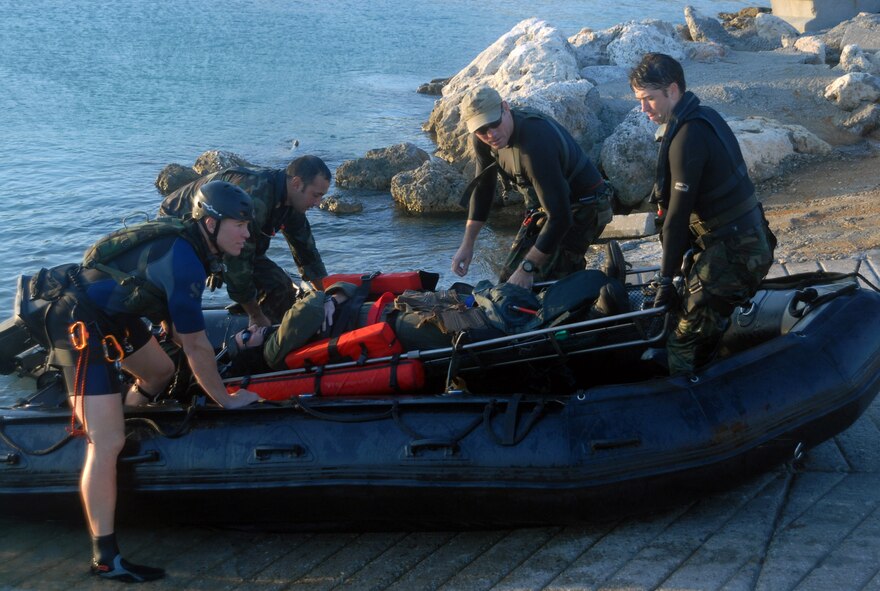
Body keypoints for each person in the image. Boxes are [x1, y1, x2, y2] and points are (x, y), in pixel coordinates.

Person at [33, 181, 262, 582]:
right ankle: (105, 558)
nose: (247, 233)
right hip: (77, 318)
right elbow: (194, 345)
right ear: (210, 223)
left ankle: (120, 430)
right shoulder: (188, 260)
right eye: (240, 224)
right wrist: (226, 400)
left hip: (114, 314)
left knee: (160, 372)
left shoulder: (196, 248)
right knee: (106, 440)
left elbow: (177, 330)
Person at [630, 53, 776, 375]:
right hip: (748, 241)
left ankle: (686, 398)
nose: (644, 109)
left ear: (672, 90)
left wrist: (665, 279)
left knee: (682, 342)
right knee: (689, 312)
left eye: (649, 99)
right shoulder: (706, 116)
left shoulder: (686, 138)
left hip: (736, 253)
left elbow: (676, 220)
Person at [451, 85, 614, 290]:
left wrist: (528, 268)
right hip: (546, 208)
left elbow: (561, 217)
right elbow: (483, 190)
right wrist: (467, 244)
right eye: (481, 129)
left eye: (494, 123)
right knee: (508, 284)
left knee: (542, 284)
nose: (491, 134)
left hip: (586, 206)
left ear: (505, 108)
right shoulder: (483, 140)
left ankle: (597, 289)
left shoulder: (535, 146)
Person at [159, 155, 331, 326]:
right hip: (181, 222)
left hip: (222, 232)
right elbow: (237, 266)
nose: (318, 203)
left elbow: (308, 254)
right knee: (194, 284)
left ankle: (267, 337)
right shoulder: (256, 198)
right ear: (296, 183)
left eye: (322, 196)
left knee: (281, 287)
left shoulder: (293, 204)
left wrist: (328, 298)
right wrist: (255, 314)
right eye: (315, 195)